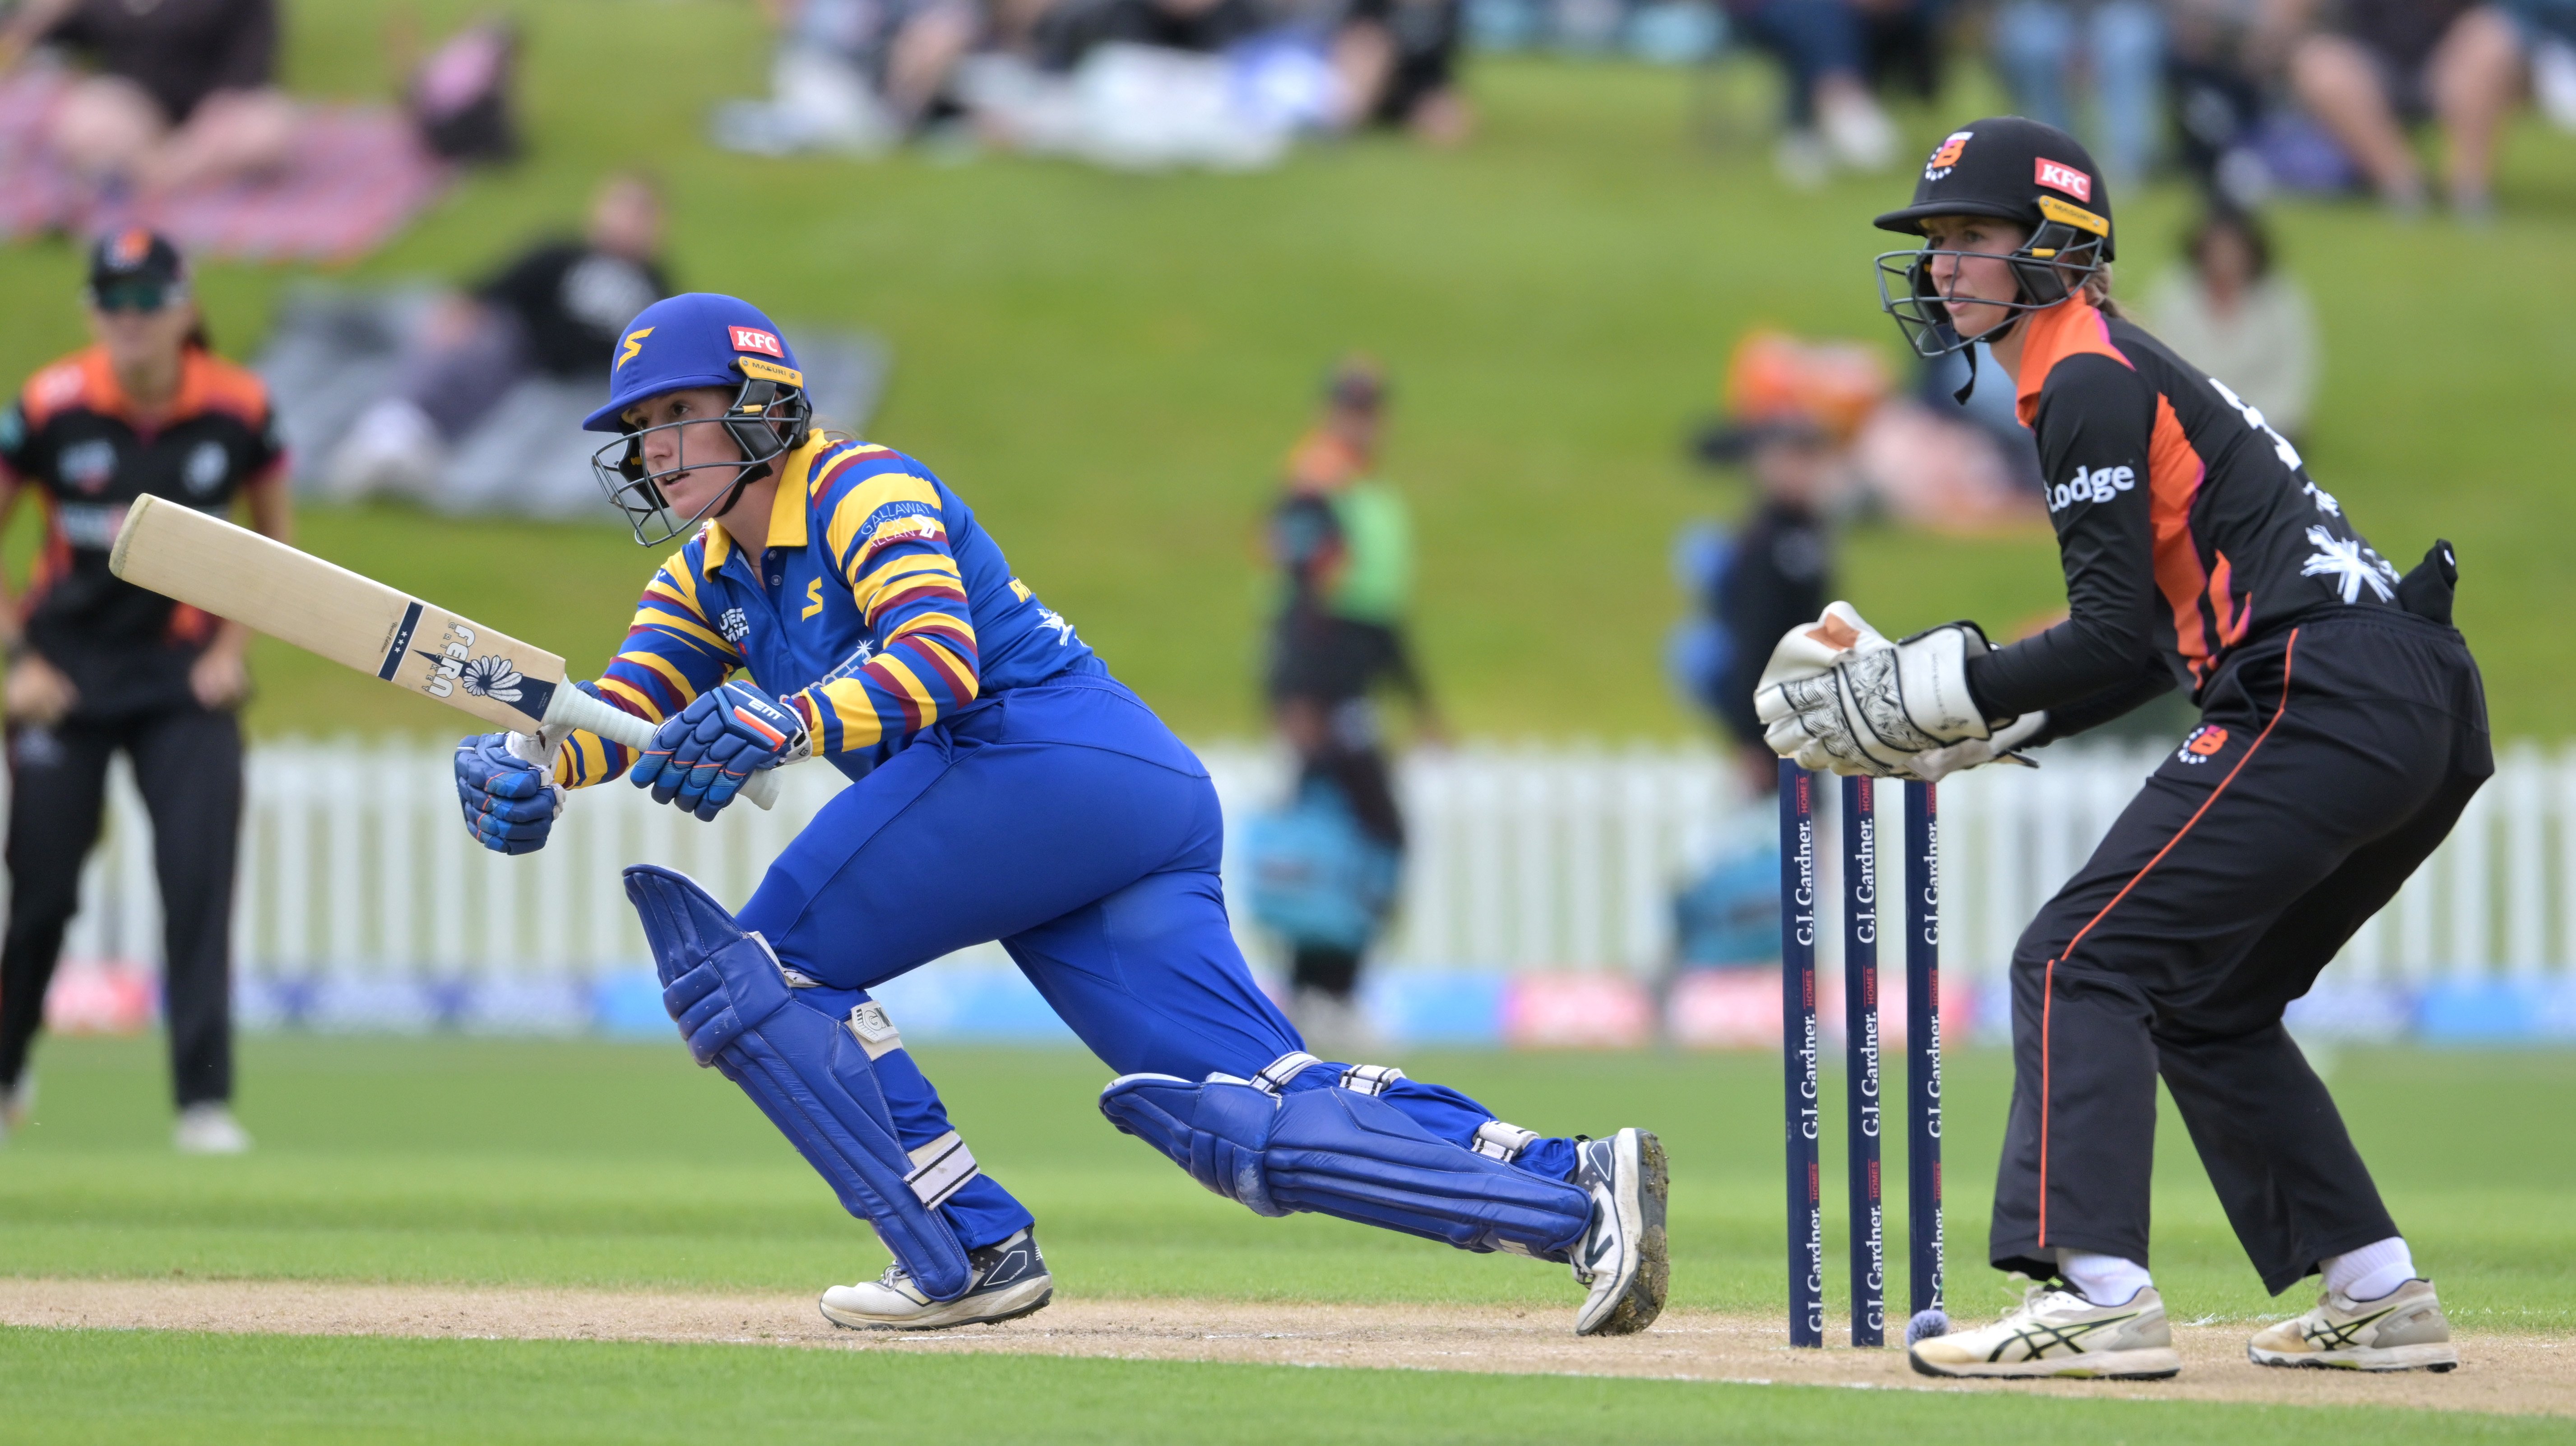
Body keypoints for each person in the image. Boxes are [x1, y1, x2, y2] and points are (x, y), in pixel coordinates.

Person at [447, 293, 1665, 1336]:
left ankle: (966, 1247)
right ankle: (1572, 1192)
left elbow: (937, 660)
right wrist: (530, 759)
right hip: (1114, 796)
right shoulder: (704, 575)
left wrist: (789, 720)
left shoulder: (860, 488)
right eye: (639, 429)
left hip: (1035, 753)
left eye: (676, 412)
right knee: (1238, 1110)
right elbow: (618, 711)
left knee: (757, 973)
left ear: (762, 403)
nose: (655, 449)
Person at [1759, 118, 2479, 1377]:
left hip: (2315, 689)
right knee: (2207, 1002)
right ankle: (2375, 1287)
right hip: (2413, 699)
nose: (1941, 263)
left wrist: (1943, 693)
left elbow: (2103, 634)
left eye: (1970, 236)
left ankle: (2095, 1288)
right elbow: (2146, 642)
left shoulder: (2084, 376)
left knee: (2074, 958)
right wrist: (1987, 722)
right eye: (1934, 239)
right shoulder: (2111, 364)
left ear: (2056, 247)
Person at [0, 231, 291, 1154]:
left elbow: (273, 549)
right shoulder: (50, 406)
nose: (131, 319)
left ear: (183, 306)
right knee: (42, 888)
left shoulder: (240, 408)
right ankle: (5, 1073)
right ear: (92, 312)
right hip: (65, 676)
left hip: (181, 681)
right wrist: (21, 662)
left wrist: (231, 649)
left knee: (197, 880)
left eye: (147, 301)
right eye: (113, 302)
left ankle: (202, 1103)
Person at [1259, 359, 1446, 1044]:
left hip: (1351, 691)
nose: (1362, 423)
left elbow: (1381, 618)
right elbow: (1298, 603)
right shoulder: (1315, 487)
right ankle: (1323, 992)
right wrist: (1293, 697)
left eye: (1370, 411)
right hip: (1322, 695)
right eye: (1351, 409)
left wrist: (1422, 704)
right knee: (1349, 838)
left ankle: (1321, 992)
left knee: (1350, 840)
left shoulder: (1373, 499)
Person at [326, 173, 674, 501]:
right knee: (480, 350)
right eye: (622, 207)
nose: (628, 222)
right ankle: (394, 429)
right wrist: (459, 317)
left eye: (641, 214)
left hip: (584, 384)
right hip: (521, 348)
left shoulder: (654, 287)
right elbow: (486, 293)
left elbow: (667, 349)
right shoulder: (563, 255)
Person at [0, 0, 297, 197]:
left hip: (218, 112)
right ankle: (166, 176)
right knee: (83, 120)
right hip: (136, 105)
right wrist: (40, 15)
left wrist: (222, 109)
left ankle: (149, 177)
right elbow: (36, 38)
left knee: (268, 128)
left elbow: (252, 61)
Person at [2275, 0, 2524, 215]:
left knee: (2493, 40)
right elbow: (2286, 22)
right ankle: (2403, 187)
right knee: (2319, 64)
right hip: (2370, 60)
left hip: (2453, 56)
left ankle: (2469, 189)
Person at [2141, 208, 2318, 441]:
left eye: (2233, 249)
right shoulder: (2174, 294)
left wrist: (2254, 426)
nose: (2224, 258)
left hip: (2264, 426)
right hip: (2188, 423)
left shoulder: (2279, 298)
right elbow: (2159, 366)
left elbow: (2292, 374)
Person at [1987, 0, 2167, 186]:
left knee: (2129, 43)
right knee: (2029, 41)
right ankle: (2052, 155)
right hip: (2048, 12)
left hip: (2120, 10)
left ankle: (2127, 160)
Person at [1330, 0, 1471, 144]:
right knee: (1371, 48)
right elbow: (1354, 40)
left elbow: (1435, 67)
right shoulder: (1369, 11)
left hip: (1412, 84)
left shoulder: (1446, 12)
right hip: (1365, 70)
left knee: (1453, 126)